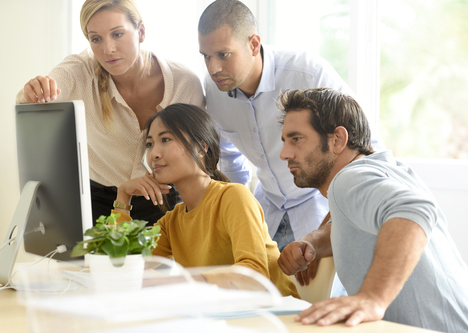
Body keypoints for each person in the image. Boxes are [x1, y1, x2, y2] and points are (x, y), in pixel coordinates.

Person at [197, 0, 384, 263]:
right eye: (206, 56)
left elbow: (365, 147)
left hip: (323, 211)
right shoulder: (214, 92)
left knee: (321, 298)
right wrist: (235, 219)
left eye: (223, 54)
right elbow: (230, 160)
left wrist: (324, 235)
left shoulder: (307, 74)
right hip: (266, 212)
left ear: (253, 44)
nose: (213, 67)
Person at [278, 88, 468, 331]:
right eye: (284, 141)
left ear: (337, 139)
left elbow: (415, 209)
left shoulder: (346, 181)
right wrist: (316, 241)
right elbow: (373, 221)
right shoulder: (388, 169)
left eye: (296, 139)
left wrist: (372, 297)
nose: (285, 154)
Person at [16, 0, 205, 225]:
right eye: (96, 39)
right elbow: (35, 98)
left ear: (141, 31)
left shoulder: (185, 83)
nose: (108, 50)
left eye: (117, 34)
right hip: (100, 203)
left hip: (164, 200)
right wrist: (33, 92)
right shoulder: (80, 72)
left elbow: (198, 157)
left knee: (164, 261)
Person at [112, 103, 299, 298]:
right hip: (225, 317)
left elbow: (252, 278)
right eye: (150, 144)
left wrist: (178, 281)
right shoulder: (172, 222)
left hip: (277, 317)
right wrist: (123, 198)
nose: (154, 154)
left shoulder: (233, 197)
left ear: (201, 148)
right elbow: (123, 269)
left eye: (165, 139)